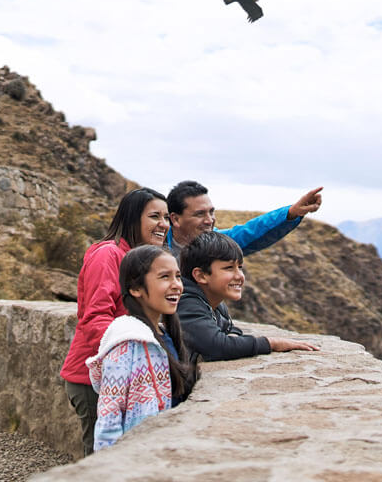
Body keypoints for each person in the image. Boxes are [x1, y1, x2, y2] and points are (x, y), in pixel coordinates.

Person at [60, 187, 170, 456]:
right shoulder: (107, 255)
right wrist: (129, 354)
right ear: (133, 218)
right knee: (101, 459)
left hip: (121, 378)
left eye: (166, 217)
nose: (163, 224)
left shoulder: (139, 259)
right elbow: (96, 318)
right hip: (93, 380)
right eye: (154, 216)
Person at [87, 245, 198, 451]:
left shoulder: (166, 335)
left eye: (178, 276)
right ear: (135, 288)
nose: (177, 285)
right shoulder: (127, 344)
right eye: (165, 277)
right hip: (136, 456)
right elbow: (109, 416)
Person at [177, 231, 319, 360]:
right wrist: (271, 343)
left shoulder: (216, 305)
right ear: (201, 275)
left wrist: (233, 339)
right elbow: (217, 346)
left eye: (240, 267)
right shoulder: (187, 303)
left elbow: (230, 330)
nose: (239, 276)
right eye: (229, 268)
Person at [165, 180, 323, 259]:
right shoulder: (153, 246)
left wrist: (291, 213)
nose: (209, 220)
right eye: (199, 214)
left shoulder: (215, 244)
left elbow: (251, 232)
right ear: (175, 219)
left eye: (211, 212)